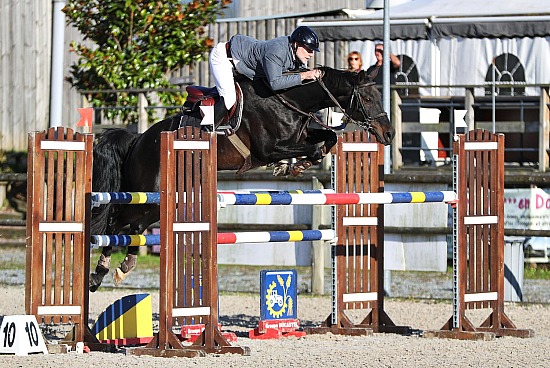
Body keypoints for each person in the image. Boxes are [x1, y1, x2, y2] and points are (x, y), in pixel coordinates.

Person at [209, 26, 322, 124]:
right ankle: (205, 130)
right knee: (229, 99)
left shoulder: (294, 52)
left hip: (241, 62)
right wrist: (304, 76)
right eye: (309, 49)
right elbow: (275, 83)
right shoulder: (277, 51)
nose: (311, 54)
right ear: (297, 44)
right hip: (224, 57)